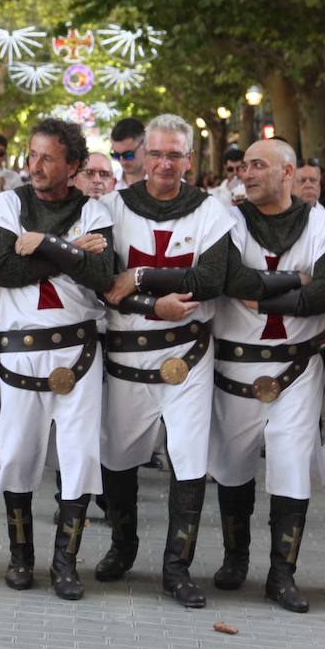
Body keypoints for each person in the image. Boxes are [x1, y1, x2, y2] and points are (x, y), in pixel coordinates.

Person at [99, 113, 233, 608]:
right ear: (139, 155)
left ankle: (177, 566)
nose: (163, 163)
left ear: (188, 160)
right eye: (154, 153)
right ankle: (122, 545)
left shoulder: (211, 212)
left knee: (190, 459)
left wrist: (140, 278)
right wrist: (150, 301)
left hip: (188, 355)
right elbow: (102, 282)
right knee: (116, 457)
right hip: (126, 355)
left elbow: (213, 278)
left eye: (174, 154)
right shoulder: (112, 208)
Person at [0, 120, 114, 598]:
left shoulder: (94, 212)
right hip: (21, 350)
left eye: (47, 158)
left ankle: (66, 563)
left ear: (72, 166)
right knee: (18, 453)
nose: (34, 166)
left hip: (77, 349)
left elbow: (102, 273)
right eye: (32, 155)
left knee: (80, 456)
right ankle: (21, 558)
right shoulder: (5, 206)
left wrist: (47, 243)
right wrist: (70, 252)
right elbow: (3, 268)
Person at [211, 139, 325, 613]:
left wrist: (260, 293)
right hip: (236, 362)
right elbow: (230, 280)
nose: (248, 173)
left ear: (288, 172)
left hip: (297, 365)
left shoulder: (324, 226)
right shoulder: (225, 219)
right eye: (245, 165)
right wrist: (296, 281)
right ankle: (234, 558)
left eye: (259, 165)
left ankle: (282, 574)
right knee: (230, 464)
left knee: (290, 464)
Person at [109, 117, 147, 187]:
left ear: (144, 144)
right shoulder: (110, 183)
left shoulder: (159, 182)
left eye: (128, 155)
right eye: (116, 155)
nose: (122, 161)